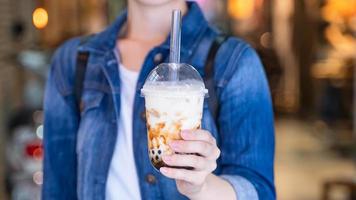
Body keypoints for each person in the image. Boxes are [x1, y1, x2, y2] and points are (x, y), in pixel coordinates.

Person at [42, 0, 275, 200]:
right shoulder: (73, 62)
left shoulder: (233, 61)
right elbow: (58, 188)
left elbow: (258, 191)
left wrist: (201, 187)